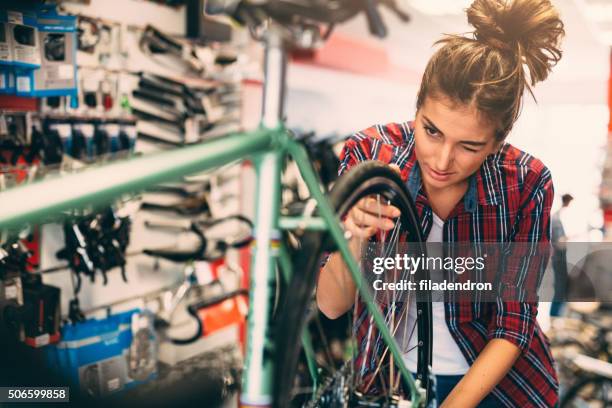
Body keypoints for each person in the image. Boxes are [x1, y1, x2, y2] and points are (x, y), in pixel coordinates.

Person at [316, 0, 564, 406]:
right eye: (431, 131)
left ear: (498, 142)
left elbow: (513, 325)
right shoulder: (370, 154)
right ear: (417, 108)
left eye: (469, 146)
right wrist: (354, 234)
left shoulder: (527, 182)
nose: (442, 160)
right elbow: (330, 305)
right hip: (390, 383)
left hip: (495, 389)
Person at [550, 193, 572, 316]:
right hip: (559, 257)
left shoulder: (557, 217)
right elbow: (559, 242)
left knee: (561, 288)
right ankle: (554, 316)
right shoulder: (556, 219)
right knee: (560, 288)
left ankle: (555, 316)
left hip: (559, 257)